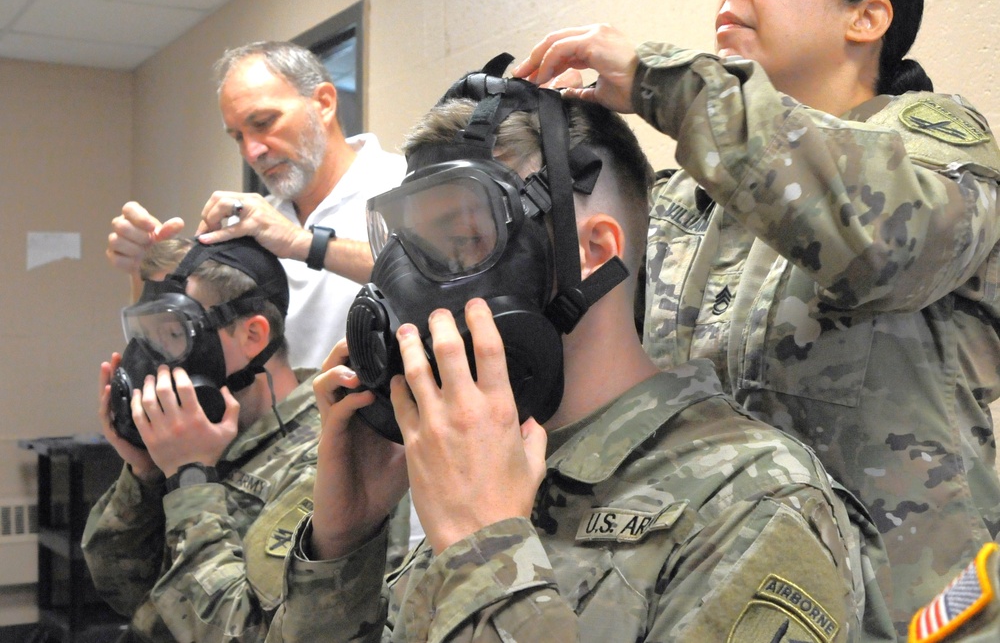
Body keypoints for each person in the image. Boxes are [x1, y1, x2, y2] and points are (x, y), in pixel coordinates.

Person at [513, 0, 1000, 638]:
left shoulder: (935, 146)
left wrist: (662, 80)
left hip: (900, 618)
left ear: (867, 16)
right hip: (721, 601)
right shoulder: (682, 195)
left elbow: (886, 244)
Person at [263, 64, 894, 641]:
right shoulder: (474, 460)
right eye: (406, 250)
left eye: (459, 243)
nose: (412, 286)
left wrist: (487, 551)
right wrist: (344, 549)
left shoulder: (750, 504)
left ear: (593, 251)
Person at [106, 40, 407, 370]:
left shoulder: (404, 184)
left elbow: (437, 275)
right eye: (237, 136)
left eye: (263, 123)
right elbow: (182, 345)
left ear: (323, 103)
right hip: (283, 420)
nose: (251, 152)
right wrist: (145, 274)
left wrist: (301, 243)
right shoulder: (253, 224)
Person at [83, 236, 322, 642]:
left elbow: (243, 634)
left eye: (172, 334)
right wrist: (145, 472)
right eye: (147, 336)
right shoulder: (198, 433)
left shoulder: (325, 456)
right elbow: (119, 587)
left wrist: (190, 478)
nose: (151, 362)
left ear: (253, 336)